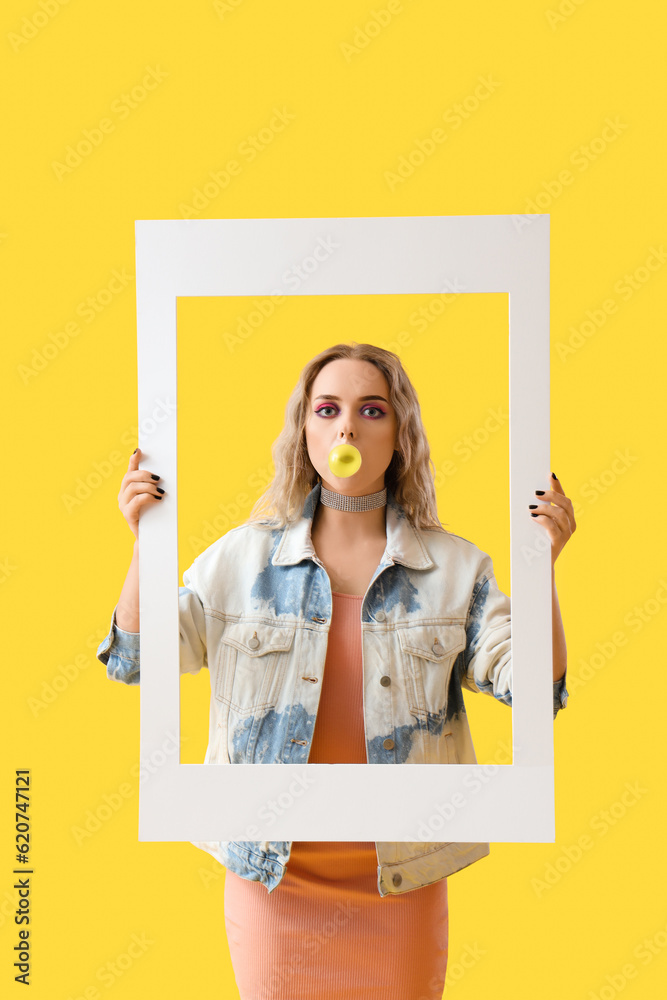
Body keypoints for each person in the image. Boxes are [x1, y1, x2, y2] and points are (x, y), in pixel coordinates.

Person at [96, 342, 574, 999]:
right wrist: (144, 544)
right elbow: (135, 661)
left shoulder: (458, 571)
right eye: (328, 409)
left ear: (399, 434)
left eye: (371, 410)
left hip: (400, 877)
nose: (347, 427)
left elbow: (536, 691)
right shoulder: (240, 561)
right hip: (275, 878)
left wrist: (542, 567)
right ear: (305, 431)